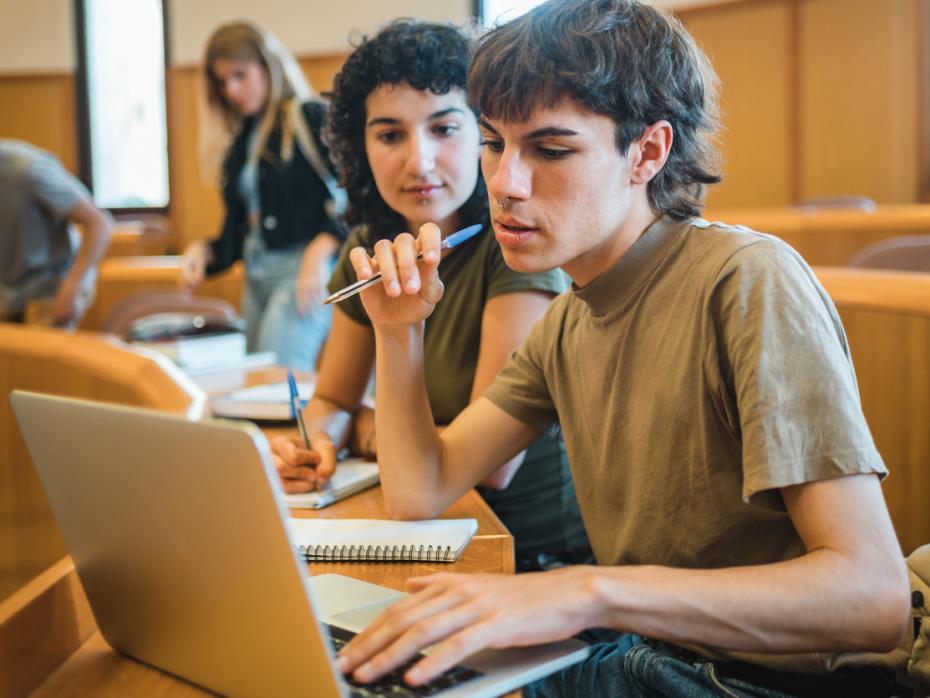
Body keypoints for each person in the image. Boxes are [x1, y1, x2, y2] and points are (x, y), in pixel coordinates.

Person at [331, 1, 911, 696]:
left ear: (648, 152)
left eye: (550, 149)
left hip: (771, 681)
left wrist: (587, 592)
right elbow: (418, 490)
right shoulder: (567, 322)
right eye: (493, 144)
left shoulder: (746, 280)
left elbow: (874, 599)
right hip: (654, 654)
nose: (505, 185)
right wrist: (400, 332)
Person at [270, 19, 590, 572]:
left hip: (524, 551)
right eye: (390, 135)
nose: (418, 162)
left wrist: (372, 429)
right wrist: (315, 441)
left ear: (485, 135)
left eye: (444, 129)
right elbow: (333, 399)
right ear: (359, 146)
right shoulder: (371, 243)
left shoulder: (515, 245)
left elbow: (489, 467)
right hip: (425, 524)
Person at [179, 21, 346, 370]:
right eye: (223, 82)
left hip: (301, 269)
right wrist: (204, 251)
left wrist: (319, 252)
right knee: (252, 383)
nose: (232, 89)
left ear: (267, 65)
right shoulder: (241, 141)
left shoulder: (307, 116)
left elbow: (357, 194)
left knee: (276, 381)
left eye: (240, 74)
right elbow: (234, 236)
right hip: (255, 271)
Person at [0, 139, 112, 328]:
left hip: (50, 287)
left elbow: (99, 223)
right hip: (7, 292)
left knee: (36, 354)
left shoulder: (29, 169)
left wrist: (71, 288)